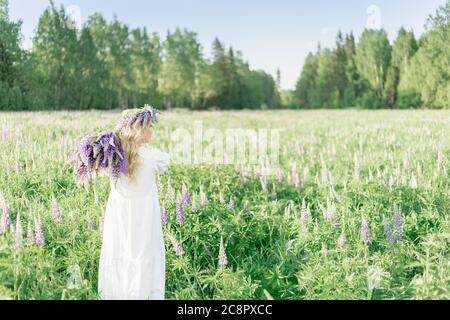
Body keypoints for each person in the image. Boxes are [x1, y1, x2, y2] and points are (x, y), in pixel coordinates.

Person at [68, 105, 170, 299]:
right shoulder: (154, 158)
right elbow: (165, 161)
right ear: (139, 130)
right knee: (144, 254)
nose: (152, 131)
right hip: (145, 218)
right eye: (149, 126)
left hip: (120, 216)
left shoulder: (113, 157)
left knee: (119, 252)